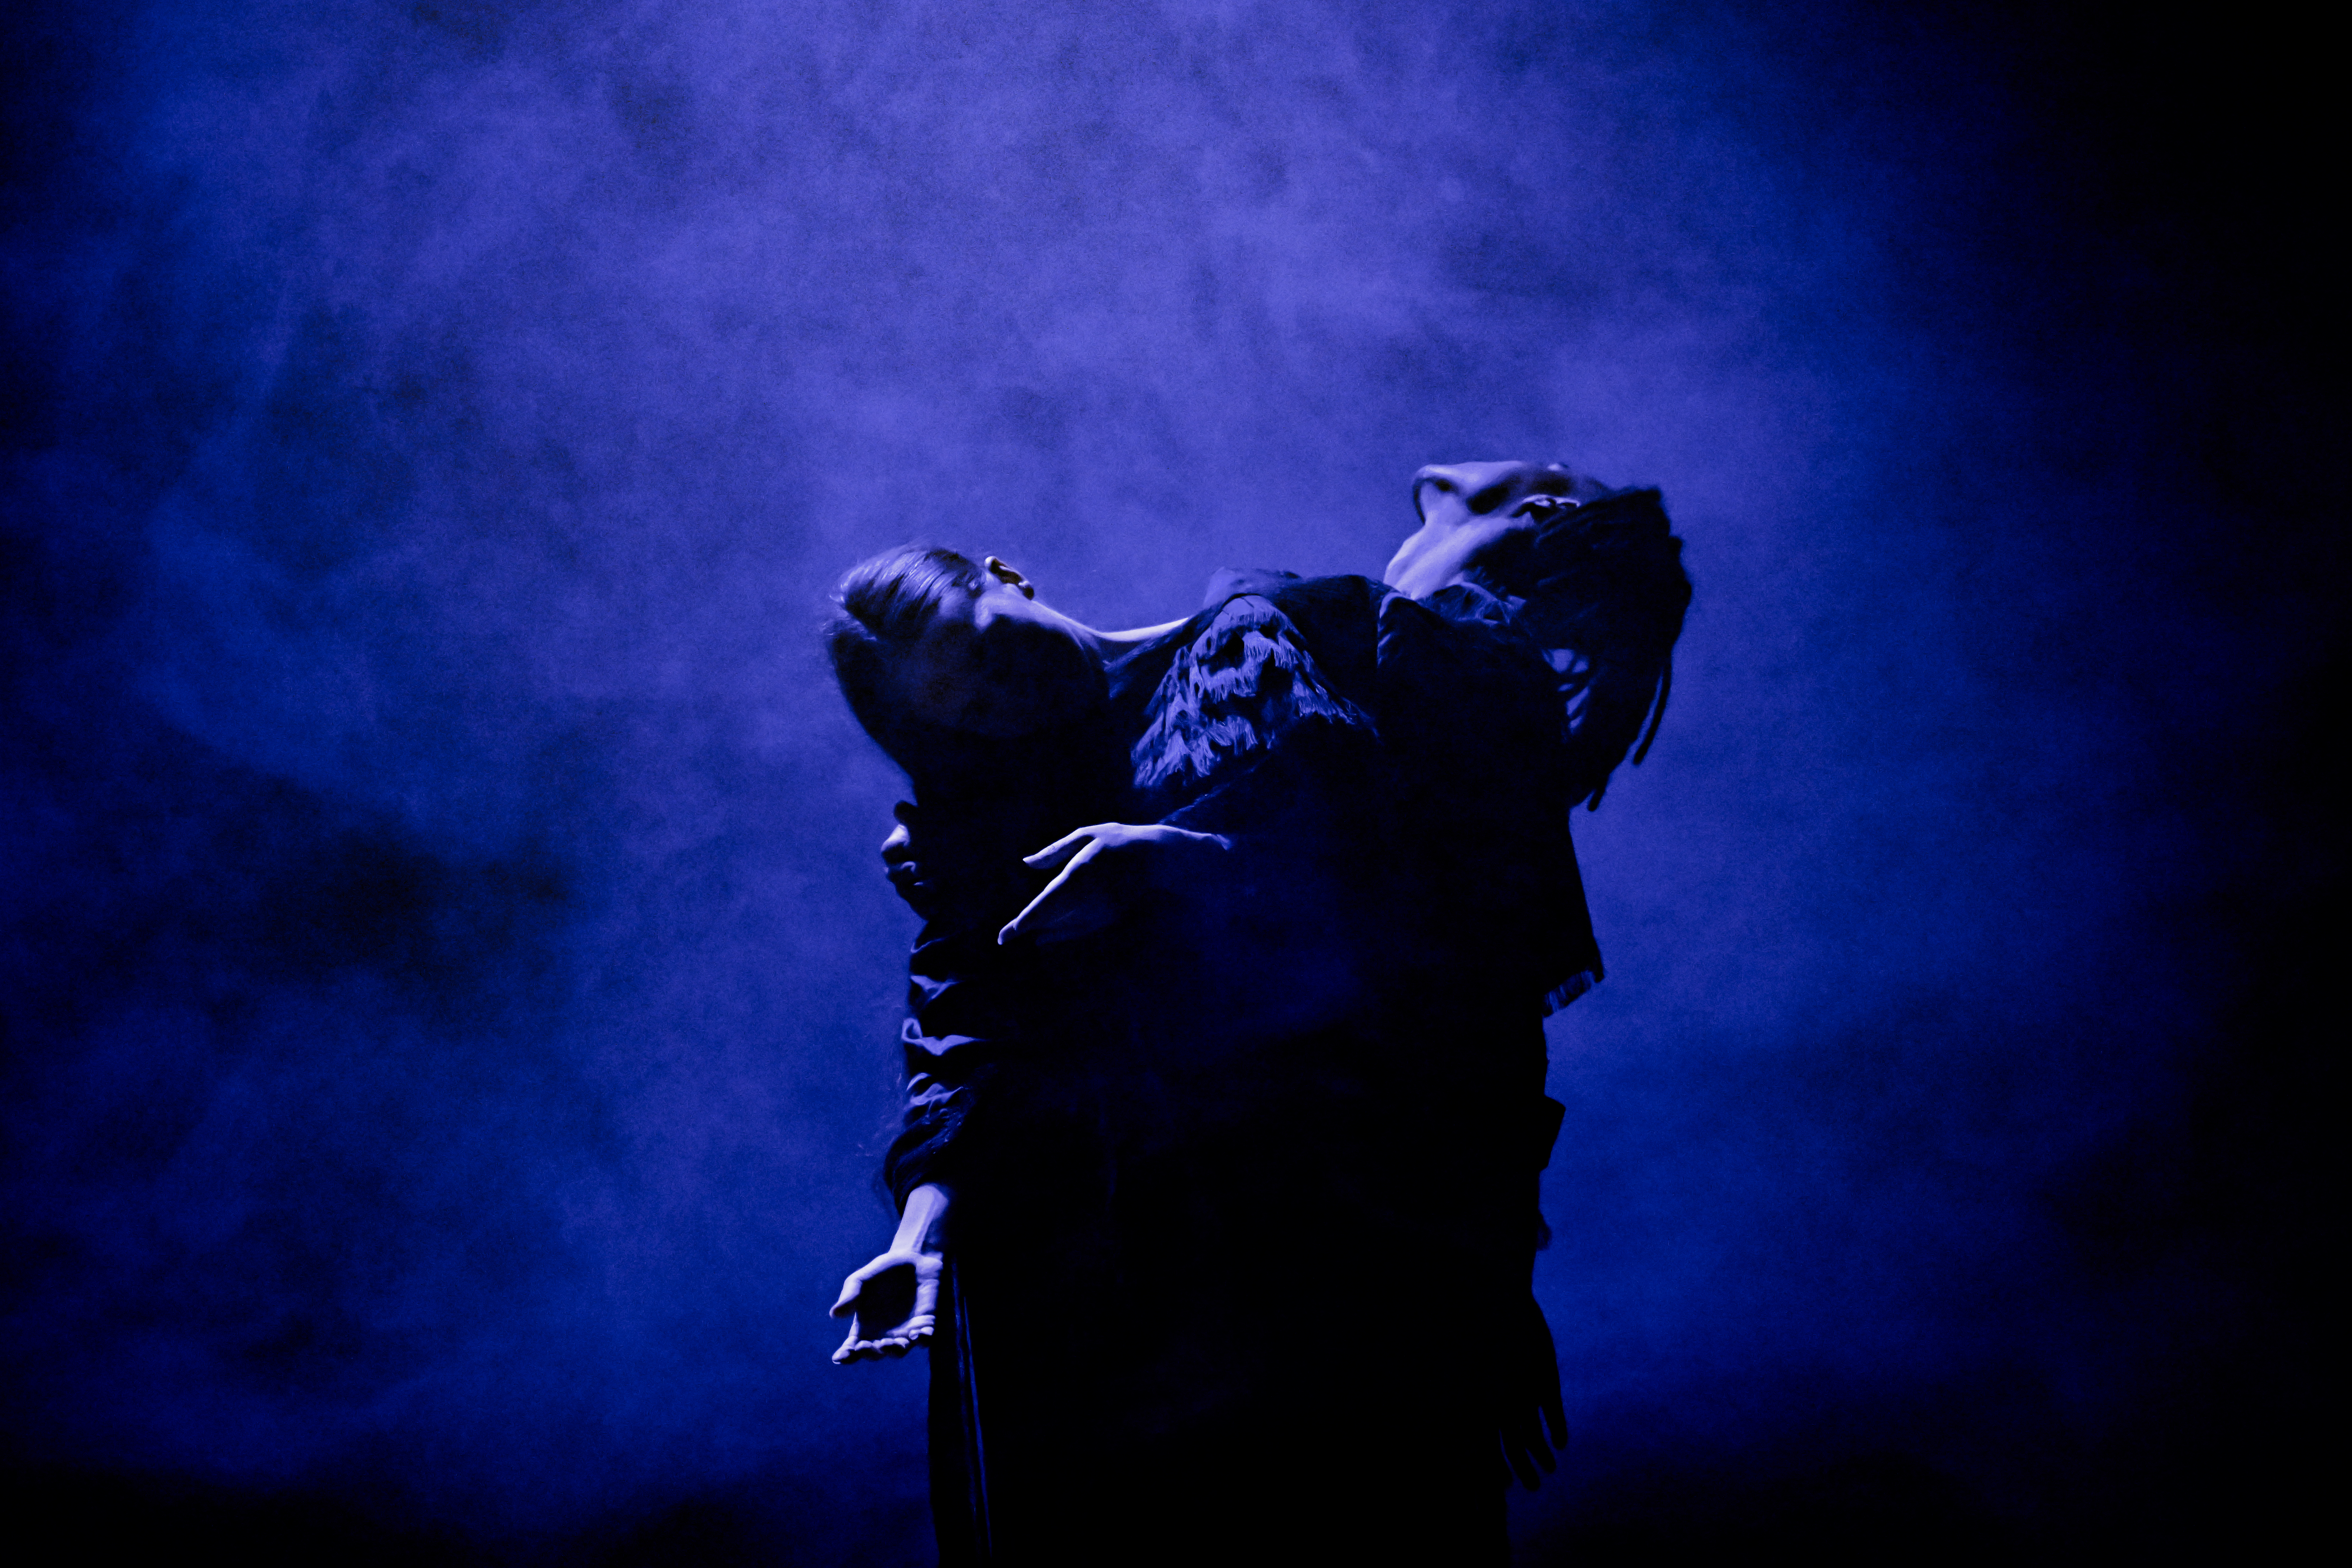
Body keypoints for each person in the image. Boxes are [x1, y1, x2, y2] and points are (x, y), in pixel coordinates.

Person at [824, 463, 1689, 1563]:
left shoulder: (1258, 639)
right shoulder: (988, 824)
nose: (1008, 695)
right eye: (970, 707)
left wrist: (1175, 861)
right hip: (1115, 1269)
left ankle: (1464, 540)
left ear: (1009, 576)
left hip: (1318, 1218)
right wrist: (919, 1232)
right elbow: (961, 1031)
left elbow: (1430, 922)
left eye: (990, 648)